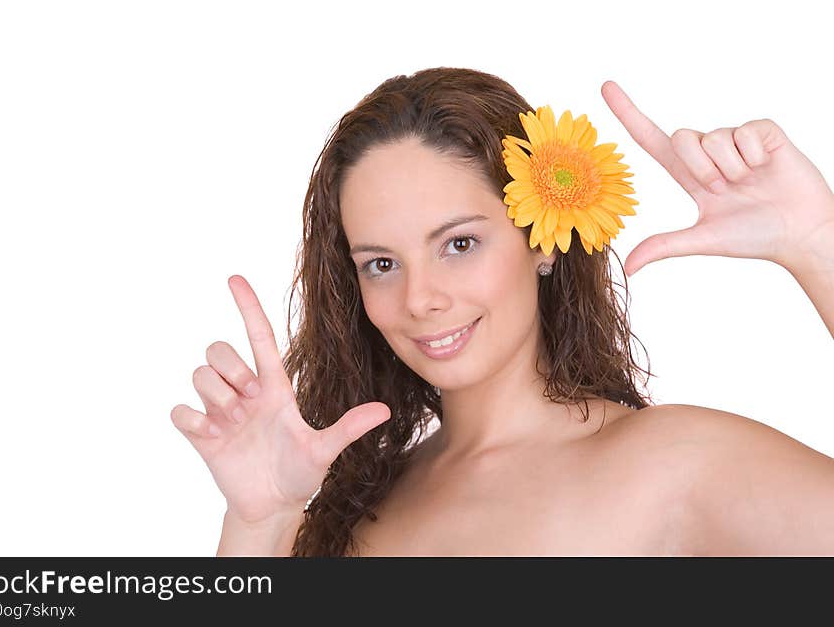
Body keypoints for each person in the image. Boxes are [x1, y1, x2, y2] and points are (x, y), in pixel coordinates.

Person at [170, 67, 834, 556]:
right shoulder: (353, 511)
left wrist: (817, 244)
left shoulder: (674, 463)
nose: (420, 297)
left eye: (458, 244)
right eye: (381, 262)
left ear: (543, 240)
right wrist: (259, 523)